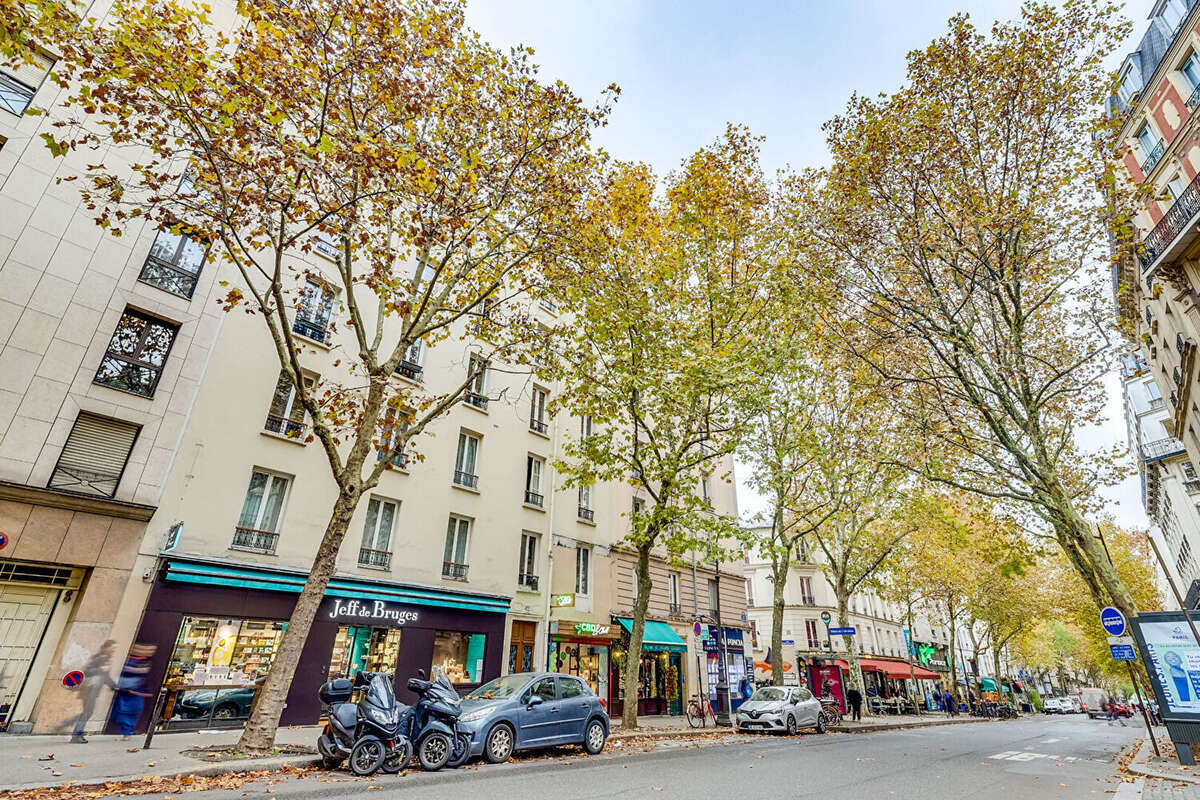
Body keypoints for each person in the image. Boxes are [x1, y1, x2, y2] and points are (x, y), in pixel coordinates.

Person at [71, 640, 117, 743]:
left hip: (93, 691)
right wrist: (101, 669)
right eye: (113, 648)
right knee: (87, 712)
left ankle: (77, 734)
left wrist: (114, 686)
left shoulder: (106, 659)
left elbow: (106, 677)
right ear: (107, 647)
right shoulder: (99, 658)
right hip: (89, 690)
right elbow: (87, 671)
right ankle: (76, 735)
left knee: (87, 712)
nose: (114, 650)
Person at [113, 644, 156, 739]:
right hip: (130, 690)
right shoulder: (137, 661)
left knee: (130, 712)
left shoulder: (143, 662)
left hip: (133, 691)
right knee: (127, 711)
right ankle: (127, 732)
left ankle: (127, 732)